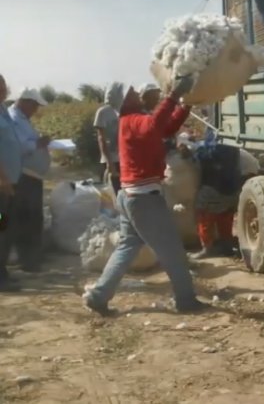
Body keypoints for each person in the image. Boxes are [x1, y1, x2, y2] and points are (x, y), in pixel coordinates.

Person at [83, 78, 209, 315]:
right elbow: (154, 125)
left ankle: (99, 296)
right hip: (143, 199)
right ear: (124, 101)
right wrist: (172, 97)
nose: (136, 94)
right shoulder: (132, 121)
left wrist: (185, 105)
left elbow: (167, 128)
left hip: (130, 195)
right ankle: (186, 300)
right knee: (172, 250)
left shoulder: (133, 120)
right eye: (131, 92)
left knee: (127, 246)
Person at [9, 88, 52, 273]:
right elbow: (18, 146)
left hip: (31, 175)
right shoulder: (14, 119)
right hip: (23, 175)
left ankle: (30, 259)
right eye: (34, 105)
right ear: (25, 102)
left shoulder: (22, 119)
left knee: (30, 217)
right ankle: (28, 260)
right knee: (27, 217)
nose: (36, 110)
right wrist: (38, 144)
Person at [190, 130, 248, 260]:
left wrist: (195, 149)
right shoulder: (234, 142)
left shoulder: (215, 147)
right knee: (225, 215)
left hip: (214, 186)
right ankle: (226, 245)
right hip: (232, 187)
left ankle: (207, 248)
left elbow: (205, 156)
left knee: (203, 214)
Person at [0, 74, 23, 292]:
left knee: (5, 228)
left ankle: (3, 271)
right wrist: (3, 179)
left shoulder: (3, 110)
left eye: (5, 86)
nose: (4, 90)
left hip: (9, 183)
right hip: (1, 185)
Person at [94, 83, 124, 194]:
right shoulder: (103, 112)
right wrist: (110, 163)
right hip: (111, 159)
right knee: (113, 193)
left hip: (123, 159)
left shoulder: (123, 111)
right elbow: (101, 138)